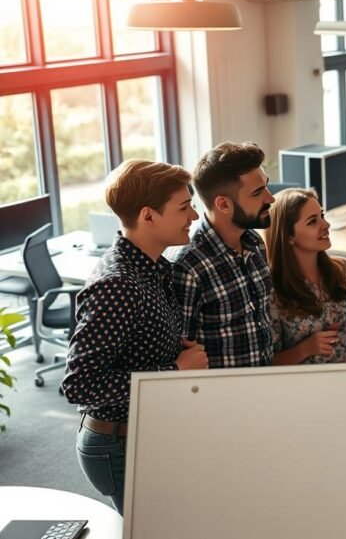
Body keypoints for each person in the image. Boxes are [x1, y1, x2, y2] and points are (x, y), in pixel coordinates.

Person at [62, 159, 208, 513]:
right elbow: (79, 384)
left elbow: (135, 345)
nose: (193, 216)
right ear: (148, 216)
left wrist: (175, 349)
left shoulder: (154, 268)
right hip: (118, 445)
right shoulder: (118, 285)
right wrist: (174, 370)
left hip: (146, 434)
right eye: (184, 207)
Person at [171, 141, 275, 368]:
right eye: (258, 192)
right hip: (222, 398)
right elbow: (182, 354)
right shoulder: (189, 268)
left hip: (265, 386)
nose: (270, 198)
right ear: (224, 204)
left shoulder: (255, 243)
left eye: (266, 186)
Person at [266, 188, 346, 364]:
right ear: (288, 236)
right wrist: (305, 349)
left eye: (322, 215)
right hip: (307, 386)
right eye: (313, 221)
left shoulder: (342, 269)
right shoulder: (273, 289)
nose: (326, 225)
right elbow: (268, 363)